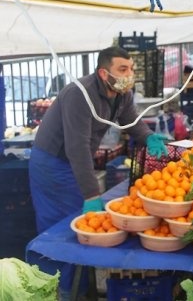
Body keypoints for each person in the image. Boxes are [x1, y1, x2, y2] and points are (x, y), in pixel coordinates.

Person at [28, 46, 168, 297]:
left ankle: (78, 288)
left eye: (131, 69)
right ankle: (51, 289)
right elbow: (76, 147)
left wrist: (148, 138)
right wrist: (92, 194)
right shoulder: (78, 95)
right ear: (104, 73)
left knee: (81, 226)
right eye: (122, 69)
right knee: (58, 229)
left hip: (76, 160)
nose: (129, 74)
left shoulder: (121, 92)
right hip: (52, 162)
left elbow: (131, 120)